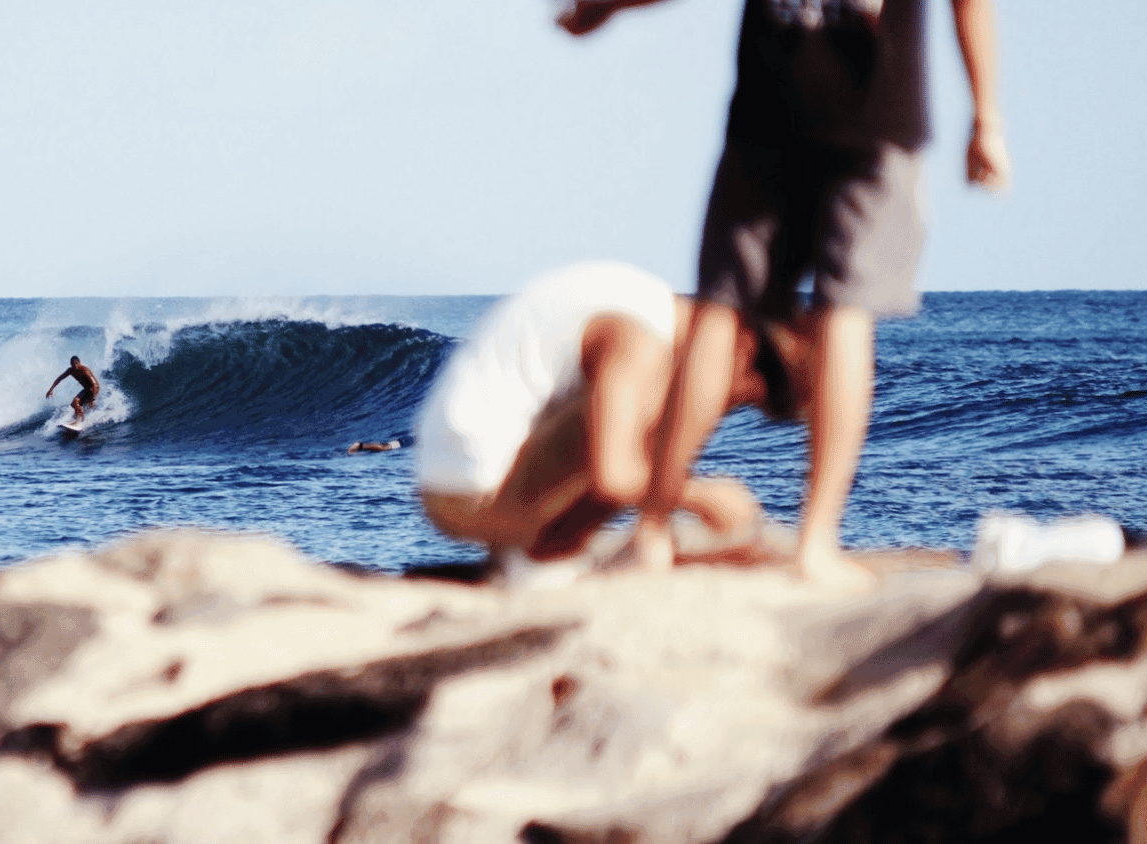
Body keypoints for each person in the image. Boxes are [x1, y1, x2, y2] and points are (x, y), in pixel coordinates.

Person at [560, 0, 1011, 586]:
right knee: (843, 315)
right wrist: (986, 118)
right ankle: (815, 543)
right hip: (873, 108)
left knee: (720, 314)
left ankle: (651, 533)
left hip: (769, 108)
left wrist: (604, 8)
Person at [415, 261, 810, 569]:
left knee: (644, 420)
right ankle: (539, 563)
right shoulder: (639, 341)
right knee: (640, 422)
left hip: (465, 472)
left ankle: (540, 554)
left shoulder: (651, 307)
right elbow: (613, 476)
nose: (737, 401)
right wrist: (705, 496)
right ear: (741, 345)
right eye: (761, 387)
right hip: (471, 490)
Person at [45, 356, 100, 424]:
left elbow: (94, 384)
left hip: (94, 388)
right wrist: (51, 390)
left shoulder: (84, 369)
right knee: (74, 404)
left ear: (79, 362)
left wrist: (92, 398)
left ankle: (79, 421)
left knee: (78, 403)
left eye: (76, 364)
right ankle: (79, 419)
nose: (75, 367)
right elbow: (59, 379)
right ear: (71, 365)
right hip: (86, 389)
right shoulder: (71, 370)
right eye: (73, 365)